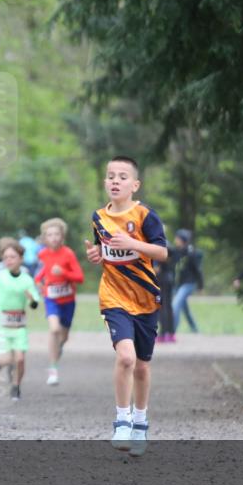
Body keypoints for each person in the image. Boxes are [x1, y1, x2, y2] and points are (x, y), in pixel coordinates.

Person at [86, 155, 167, 457]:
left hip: (145, 298)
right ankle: (122, 420)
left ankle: (140, 423)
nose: (115, 181)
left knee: (143, 367)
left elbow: (161, 252)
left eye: (122, 176)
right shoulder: (98, 217)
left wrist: (132, 244)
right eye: (110, 176)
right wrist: (96, 255)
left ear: (135, 184)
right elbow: (104, 251)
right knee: (126, 358)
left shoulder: (146, 215)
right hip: (113, 297)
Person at [0, 239, 40, 400]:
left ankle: (16, 386)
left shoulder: (26, 279)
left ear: (20, 258)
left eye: (12, 257)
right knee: (5, 359)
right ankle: (0, 361)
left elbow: (34, 303)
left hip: (19, 326)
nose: (9, 260)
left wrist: (32, 300)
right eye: (6, 257)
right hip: (0, 325)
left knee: (20, 359)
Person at [34, 218, 84, 386]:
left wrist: (63, 272)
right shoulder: (42, 254)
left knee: (63, 337)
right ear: (45, 238)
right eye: (50, 235)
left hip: (68, 301)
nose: (53, 237)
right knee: (54, 330)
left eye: (56, 234)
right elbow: (40, 274)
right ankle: (53, 369)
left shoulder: (68, 253)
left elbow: (80, 277)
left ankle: (57, 351)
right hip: (51, 299)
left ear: (62, 236)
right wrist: (39, 284)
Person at [171, 229, 203, 335]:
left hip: (189, 284)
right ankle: (194, 328)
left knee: (175, 305)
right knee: (184, 307)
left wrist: (200, 286)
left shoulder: (191, 253)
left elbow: (198, 270)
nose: (175, 240)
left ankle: (172, 331)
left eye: (177, 238)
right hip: (179, 284)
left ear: (183, 240)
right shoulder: (176, 252)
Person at [156, 234, 178, 343]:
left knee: (162, 307)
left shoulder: (160, 246)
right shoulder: (171, 248)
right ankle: (171, 334)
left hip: (162, 280)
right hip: (170, 279)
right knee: (168, 307)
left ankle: (163, 334)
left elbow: (157, 268)